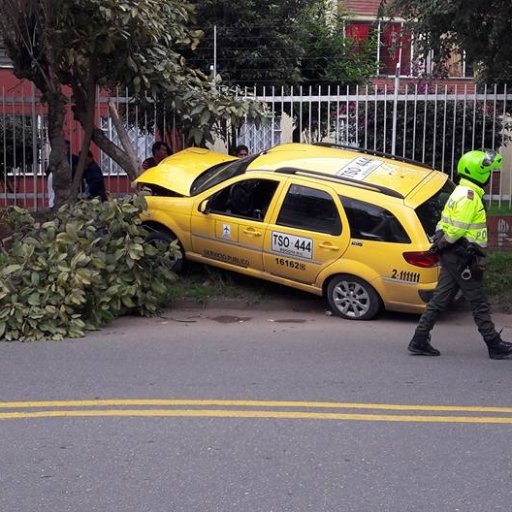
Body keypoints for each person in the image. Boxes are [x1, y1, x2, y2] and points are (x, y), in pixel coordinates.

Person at [408, 149, 512, 360]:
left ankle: (419, 339)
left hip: (453, 255)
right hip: (463, 257)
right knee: (478, 301)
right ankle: (494, 344)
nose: (490, 176)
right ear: (479, 173)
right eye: (488, 172)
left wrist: (439, 244)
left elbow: (444, 223)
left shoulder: (459, 191)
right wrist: (444, 244)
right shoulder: (470, 197)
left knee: (439, 299)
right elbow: (455, 231)